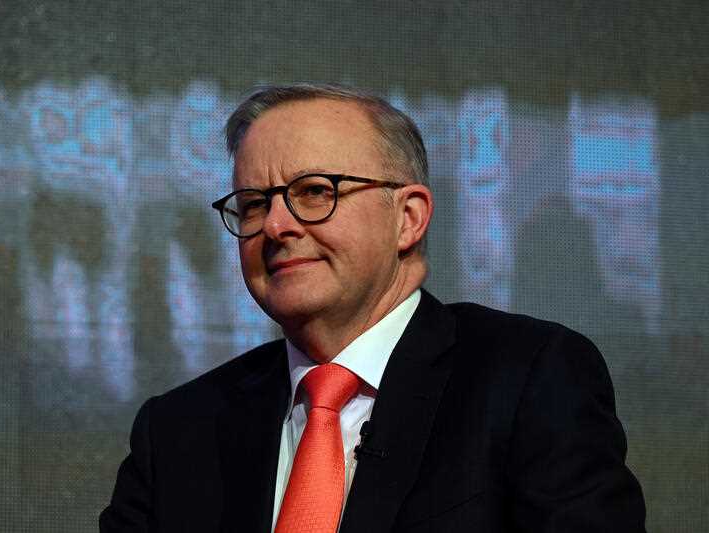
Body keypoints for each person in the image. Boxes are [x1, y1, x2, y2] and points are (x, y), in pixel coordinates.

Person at [100, 84, 646, 532]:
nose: (275, 226)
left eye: (315, 192)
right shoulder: (177, 430)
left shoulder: (527, 377)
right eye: (253, 204)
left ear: (407, 218)